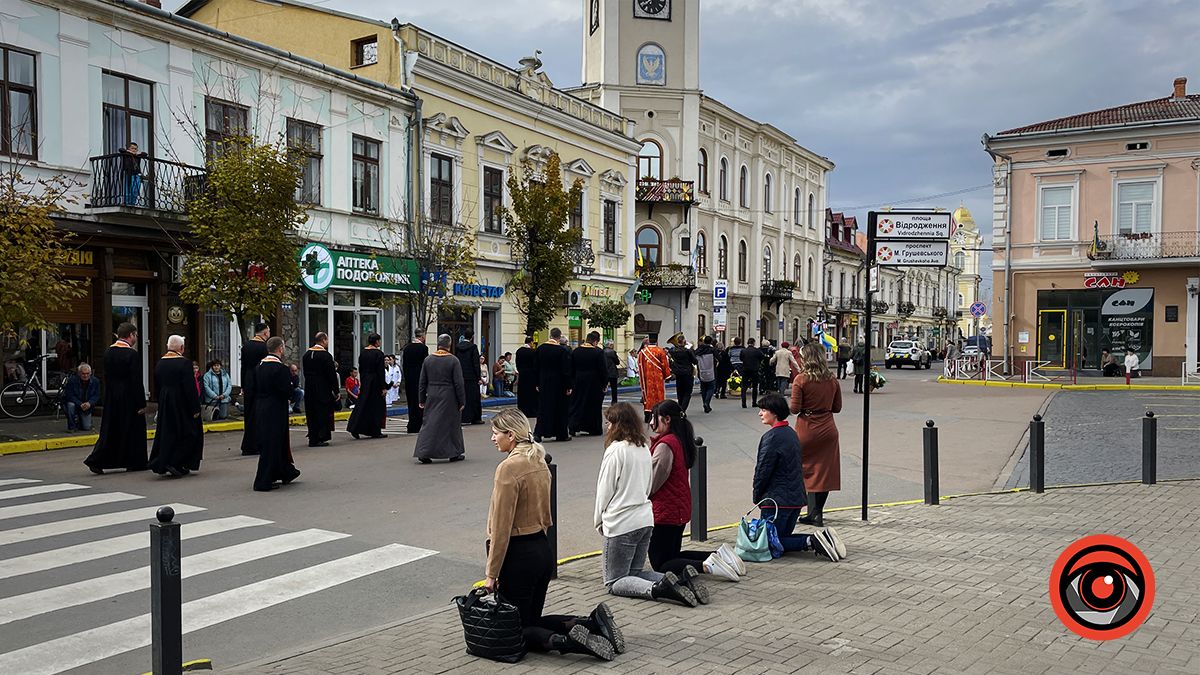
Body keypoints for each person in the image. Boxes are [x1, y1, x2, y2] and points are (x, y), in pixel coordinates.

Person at [483, 409, 621, 660]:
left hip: (518, 555)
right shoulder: (539, 460)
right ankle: (589, 624)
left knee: (516, 629)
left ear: (510, 435)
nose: (493, 439)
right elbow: (547, 516)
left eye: (495, 433)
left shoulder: (508, 469)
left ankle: (569, 642)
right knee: (532, 619)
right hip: (541, 549)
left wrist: (491, 575)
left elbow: (502, 528)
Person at [594, 402, 699, 607]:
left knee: (614, 581)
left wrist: (599, 520)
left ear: (617, 425)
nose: (607, 428)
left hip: (621, 521)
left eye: (609, 423)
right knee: (635, 572)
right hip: (644, 519)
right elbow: (649, 483)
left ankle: (660, 588)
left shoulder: (616, 450)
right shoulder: (643, 447)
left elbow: (605, 490)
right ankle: (678, 581)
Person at [647, 399, 745, 586]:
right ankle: (718, 555)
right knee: (673, 556)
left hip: (665, 511)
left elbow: (652, 481)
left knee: (660, 564)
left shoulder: (665, 445)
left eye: (654, 417)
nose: (651, 423)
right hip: (679, 508)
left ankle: (708, 565)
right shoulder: (680, 439)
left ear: (667, 419)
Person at [753, 394, 844, 561]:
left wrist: (757, 496)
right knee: (781, 537)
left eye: (763, 410)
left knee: (767, 542)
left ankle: (811, 541)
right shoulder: (791, 433)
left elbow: (763, 471)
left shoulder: (771, 438)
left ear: (774, 413)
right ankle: (824, 539)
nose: (760, 413)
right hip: (794, 500)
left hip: (776, 503)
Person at [791, 342, 844, 527]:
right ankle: (817, 513)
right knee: (824, 471)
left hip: (806, 428)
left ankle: (802, 511)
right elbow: (837, 408)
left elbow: (795, 409)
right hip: (828, 428)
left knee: (801, 469)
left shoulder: (801, 379)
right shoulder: (832, 379)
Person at [85, 322, 147, 474]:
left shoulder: (108, 352)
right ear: (130, 335)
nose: (136, 338)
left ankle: (97, 460)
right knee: (133, 430)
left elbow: (106, 376)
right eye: (136, 335)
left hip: (112, 397)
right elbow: (136, 380)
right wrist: (141, 403)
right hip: (129, 398)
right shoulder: (132, 354)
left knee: (111, 430)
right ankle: (135, 461)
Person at [149, 335, 203, 477]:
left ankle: (164, 460)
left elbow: (157, 385)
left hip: (166, 402)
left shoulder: (160, 363)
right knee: (190, 432)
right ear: (181, 348)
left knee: (168, 433)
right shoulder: (184, 363)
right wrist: (195, 408)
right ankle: (176, 462)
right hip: (181, 402)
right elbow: (189, 388)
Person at [253, 336, 301, 491]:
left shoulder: (259, 366)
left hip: (261, 406)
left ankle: (285, 471)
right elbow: (287, 390)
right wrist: (291, 394)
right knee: (272, 443)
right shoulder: (280, 368)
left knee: (275, 442)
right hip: (275, 409)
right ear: (280, 348)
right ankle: (263, 481)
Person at [414, 334, 466, 464]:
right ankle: (454, 452)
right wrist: (462, 401)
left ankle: (424, 452)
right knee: (451, 424)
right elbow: (459, 383)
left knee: (430, 423)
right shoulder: (453, 360)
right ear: (449, 344)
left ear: (438, 344)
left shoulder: (428, 360)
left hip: (432, 393)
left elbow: (422, 381)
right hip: (449, 395)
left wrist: (421, 398)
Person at [533, 328, 573, 443]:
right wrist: (568, 386)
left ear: (550, 335)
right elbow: (566, 370)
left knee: (543, 408)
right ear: (559, 337)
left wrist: (536, 383)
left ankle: (539, 433)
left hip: (544, 383)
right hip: (559, 384)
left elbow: (535, 368)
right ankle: (561, 434)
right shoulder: (562, 351)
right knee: (560, 409)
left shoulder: (540, 349)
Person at [347, 333, 387, 439]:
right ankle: (375, 430)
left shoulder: (363, 353)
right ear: (377, 341)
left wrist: (362, 381)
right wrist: (383, 387)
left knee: (362, 404)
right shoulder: (378, 354)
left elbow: (361, 368)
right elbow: (380, 371)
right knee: (376, 407)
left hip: (365, 380)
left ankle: (355, 427)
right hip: (375, 382)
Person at [302, 333, 338, 447]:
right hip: (323, 387)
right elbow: (331, 375)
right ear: (323, 340)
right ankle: (320, 436)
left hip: (309, 386)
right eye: (327, 339)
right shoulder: (326, 356)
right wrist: (336, 390)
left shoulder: (306, 355)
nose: (327, 342)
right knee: (322, 412)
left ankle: (312, 437)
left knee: (311, 412)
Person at [239, 322, 270, 456]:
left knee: (249, 413)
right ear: (264, 333)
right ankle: (257, 443)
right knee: (259, 413)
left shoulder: (246, 346)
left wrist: (243, 385)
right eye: (268, 331)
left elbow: (243, 366)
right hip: (259, 381)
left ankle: (248, 444)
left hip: (248, 381)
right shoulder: (264, 347)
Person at [569, 331, 608, 437]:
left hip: (578, 381)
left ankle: (573, 426)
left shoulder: (576, 351)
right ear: (595, 341)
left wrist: (571, 383)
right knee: (593, 406)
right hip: (594, 383)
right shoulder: (598, 352)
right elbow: (603, 369)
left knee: (577, 403)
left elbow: (571, 368)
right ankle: (593, 428)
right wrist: (605, 384)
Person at [636, 333, 671, 424]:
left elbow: (640, 364)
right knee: (659, 395)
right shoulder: (660, 351)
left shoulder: (643, 352)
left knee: (648, 396)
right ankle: (659, 414)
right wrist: (667, 376)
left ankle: (647, 416)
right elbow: (665, 365)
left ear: (649, 340)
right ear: (656, 340)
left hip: (647, 377)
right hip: (658, 377)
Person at [401, 331, 429, 433]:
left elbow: (404, 365)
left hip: (410, 379)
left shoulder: (407, 348)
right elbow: (425, 365)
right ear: (421, 336)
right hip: (420, 378)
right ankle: (420, 424)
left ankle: (412, 424)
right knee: (421, 401)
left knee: (411, 402)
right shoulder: (423, 348)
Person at [456, 330, 483, 424]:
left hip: (460, 375)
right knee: (473, 398)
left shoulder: (458, 347)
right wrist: (478, 377)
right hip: (471, 377)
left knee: (461, 396)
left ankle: (462, 417)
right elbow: (476, 363)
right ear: (472, 337)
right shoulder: (473, 347)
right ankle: (475, 418)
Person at [63, 363, 100, 432]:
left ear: (90, 373)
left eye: (87, 373)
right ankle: (72, 427)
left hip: (87, 406)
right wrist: (80, 404)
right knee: (70, 405)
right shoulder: (72, 381)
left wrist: (89, 403)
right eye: (83, 373)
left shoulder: (95, 381)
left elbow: (96, 395)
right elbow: (69, 395)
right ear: (79, 373)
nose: (85, 375)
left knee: (87, 427)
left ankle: (80, 420)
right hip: (76, 404)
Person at [668, 337, 697, 412]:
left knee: (680, 392)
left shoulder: (673, 351)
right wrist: (691, 349)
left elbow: (670, 351)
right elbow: (695, 361)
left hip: (678, 373)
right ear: (684, 342)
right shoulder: (688, 351)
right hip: (687, 373)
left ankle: (680, 408)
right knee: (687, 393)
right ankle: (682, 410)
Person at [515, 336, 539, 418]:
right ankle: (531, 411)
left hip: (522, 375)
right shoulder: (533, 352)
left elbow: (517, 363)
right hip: (531, 375)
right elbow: (536, 365)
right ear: (531, 342)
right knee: (531, 394)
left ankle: (522, 410)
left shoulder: (519, 351)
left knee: (522, 393)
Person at [119, 141, 147, 205]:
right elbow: (121, 150)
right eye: (132, 148)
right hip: (128, 173)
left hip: (136, 173)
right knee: (128, 189)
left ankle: (133, 203)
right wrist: (129, 152)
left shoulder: (137, 156)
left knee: (135, 190)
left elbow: (145, 154)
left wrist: (138, 153)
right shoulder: (126, 154)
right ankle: (127, 202)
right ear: (129, 148)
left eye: (135, 149)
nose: (134, 150)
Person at [695, 337, 718, 414]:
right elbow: (719, 358)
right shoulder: (712, 350)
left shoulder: (698, 350)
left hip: (701, 371)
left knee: (703, 388)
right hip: (711, 370)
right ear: (711, 342)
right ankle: (707, 402)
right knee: (711, 387)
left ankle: (705, 403)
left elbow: (694, 357)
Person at [740, 338, 763, 408]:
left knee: (744, 386)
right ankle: (754, 402)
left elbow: (741, 358)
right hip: (754, 370)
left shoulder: (743, 351)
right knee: (755, 387)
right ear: (753, 343)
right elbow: (762, 357)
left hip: (745, 369)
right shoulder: (757, 351)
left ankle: (744, 403)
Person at [603, 341, 621, 406]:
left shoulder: (602, 351)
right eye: (612, 345)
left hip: (604, 372)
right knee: (614, 388)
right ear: (610, 345)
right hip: (612, 372)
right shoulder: (612, 352)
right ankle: (614, 401)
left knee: (603, 386)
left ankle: (601, 399)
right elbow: (617, 362)